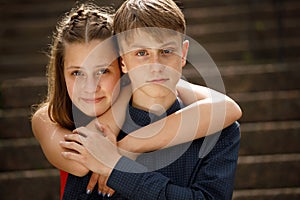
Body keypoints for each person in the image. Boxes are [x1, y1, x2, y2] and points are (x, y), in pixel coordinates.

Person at [31, 1, 241, 199]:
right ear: (123, 61)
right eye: (141, 53)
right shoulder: (91, 135)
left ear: (183, 53)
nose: (156, 65)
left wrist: (119, 161)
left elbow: (226, 108)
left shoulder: (219, 130)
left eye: (166, 51)